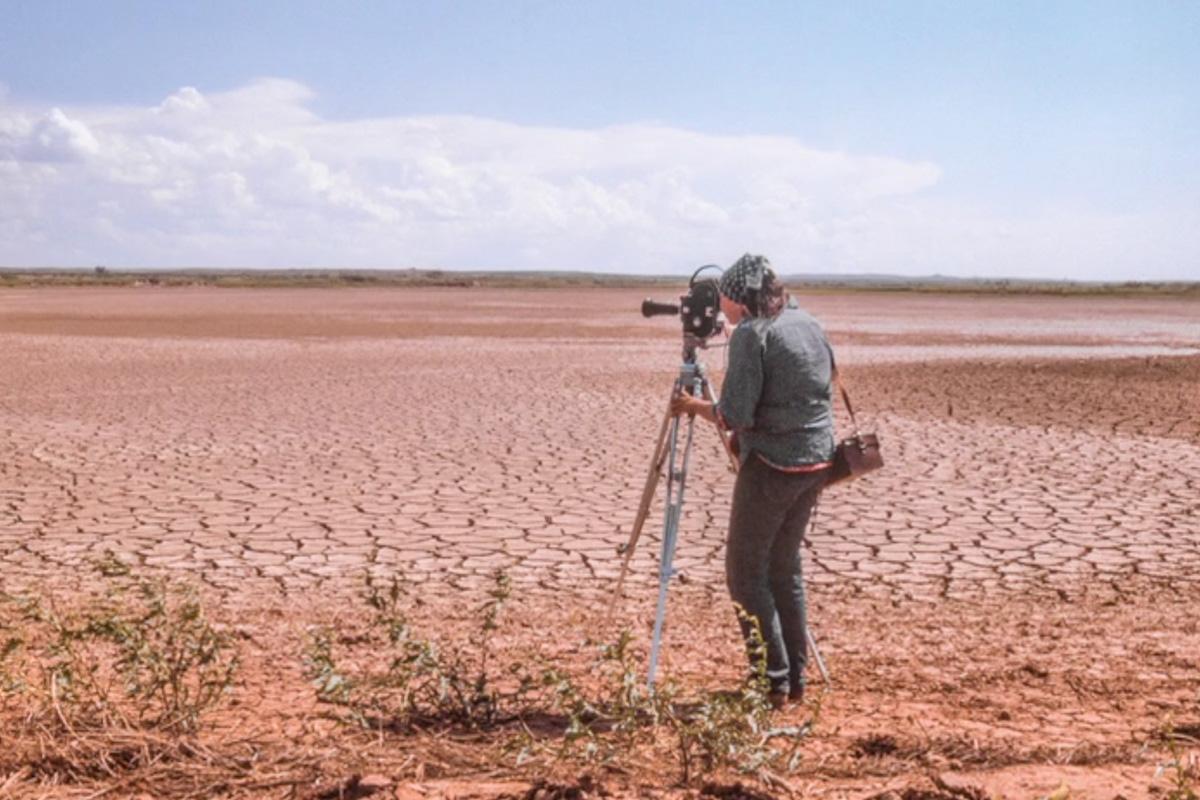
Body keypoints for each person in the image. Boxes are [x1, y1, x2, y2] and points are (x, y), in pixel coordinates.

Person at [670, 253, 835, 707]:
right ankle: (793, 679)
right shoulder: (805, 321)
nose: (720, 305)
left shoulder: (751, 334)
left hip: (774, 465)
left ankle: (771, 680)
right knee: (784, 569)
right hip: (817, 461)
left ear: (740, 297)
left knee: (745, 574)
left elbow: (735, 414)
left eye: (724, 296)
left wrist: (694, 406)